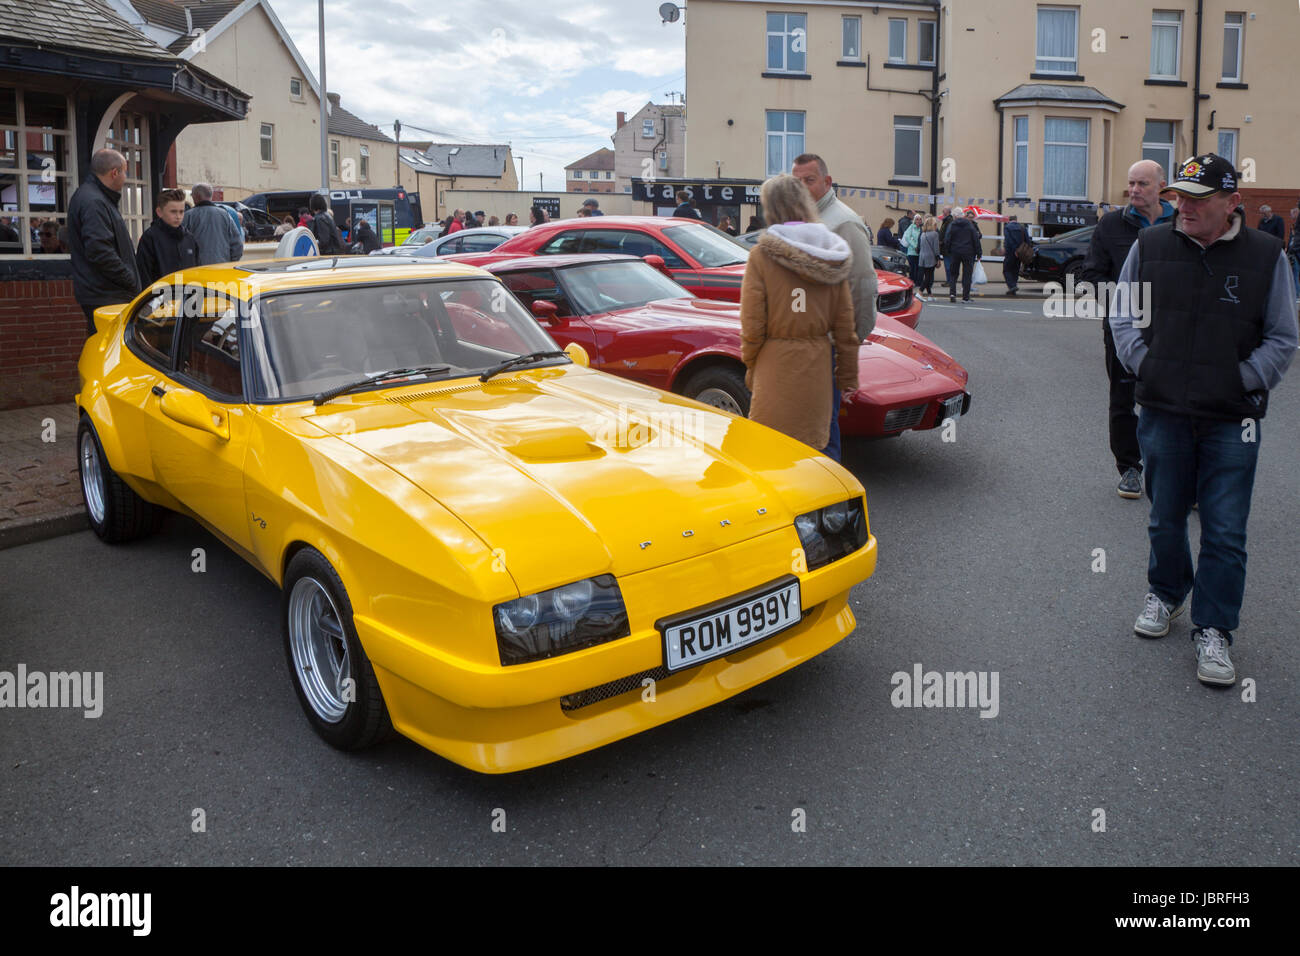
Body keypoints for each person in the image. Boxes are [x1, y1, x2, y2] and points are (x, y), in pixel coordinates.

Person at [1109, 153, 1297, 687]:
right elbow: (1123, 315)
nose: (1184, 208)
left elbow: (1283, 337)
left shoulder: (1266, 256)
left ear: (1232, 203)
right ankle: (1167, 594)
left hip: (1231, 418)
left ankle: (1213, 628)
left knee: (1225, 529)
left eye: (1198, 199)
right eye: (1179, 198)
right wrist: (1148, 367)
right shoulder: (1151, 246)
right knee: (1165, 515)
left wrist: (1241, 380)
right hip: (1164, 411)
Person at [739, 173, 858, 455]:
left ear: (771, 207)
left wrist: (751, 364)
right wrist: (847, 378)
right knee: (819, 449)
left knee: (772, 452)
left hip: (774, 366)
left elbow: (752, 324)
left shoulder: (761, 256)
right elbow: (845, 328)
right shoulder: (829, 253)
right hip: (818, 368)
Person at [1082, 159, 1175, 499]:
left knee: (1173, 401)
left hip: (1173, 331)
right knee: (1123, 401)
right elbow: (1090, 276)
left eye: (1142, 184)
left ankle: (1173, 471)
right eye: (1131, 183)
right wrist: (1129, 300)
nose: (1134, 190)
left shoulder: (1180, 221)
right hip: (1124, 329)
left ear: (1160, 186)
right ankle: (1130, 469)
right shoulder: (1110, 225)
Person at [791, 153, 878, 462]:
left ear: (827, 182)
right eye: (796, 181)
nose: (802, 187)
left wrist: (845, 345)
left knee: (822, 435)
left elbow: (863, 290)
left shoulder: (843, 223)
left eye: (809, 180)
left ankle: (834, 507)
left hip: (824, 348)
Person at [66, 148, 140, 334]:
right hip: (107, 294)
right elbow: (100, 251)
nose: (126, 176)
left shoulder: (95, 198)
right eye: (125, 171)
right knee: (110, 350)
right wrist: (129, 279)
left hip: (104, 292)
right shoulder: (94, 202)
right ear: (114, 173)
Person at [135, 187, 199, 286]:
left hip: (188, 296)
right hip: (161, 297)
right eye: (173, 212)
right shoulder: (150, 238)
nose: (178, 216)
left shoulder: (189, 238)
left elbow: (197, 270)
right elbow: (144, 275)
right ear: (159, 212)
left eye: (181, 211)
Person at [182, 182, 243, 265]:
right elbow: (237, 244)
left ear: (197, 196)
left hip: (197, 270)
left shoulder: (188, 216)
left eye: (192, 195)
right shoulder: (225, 214)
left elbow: (181, 245)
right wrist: (229, 262)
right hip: (221, 269)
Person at [944, 208, 981, 302]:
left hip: (955, 252)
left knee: (953, 274)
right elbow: (975, 239)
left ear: (955, 216)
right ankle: (965, 297)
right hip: (968, 252)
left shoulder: (952, 225)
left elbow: (947, 239)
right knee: (967, 275)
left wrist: (947, 251)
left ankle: (952, 294)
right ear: (962, 215)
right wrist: (979, 252)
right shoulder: (969, 225)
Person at [1001, 214, 1029, 295]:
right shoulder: (1022, 227)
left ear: (1009, 220)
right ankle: (1014, 287)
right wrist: (1022, 251)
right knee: (1015, 270)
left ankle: (1012, 286)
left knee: (1006, 270)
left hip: (1011, 252)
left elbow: (1008, 240)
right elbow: (1027, 241)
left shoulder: (1007, 227)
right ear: (1016, 220)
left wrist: (1015, 250)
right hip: (1021, 253)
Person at [917, 216, 941, 297]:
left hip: (922, 257)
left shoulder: (923, 234)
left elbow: (921, 246)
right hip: (930, 257)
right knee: (928, 277)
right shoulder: (935, 234)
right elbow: (936, 248)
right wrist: (938, 258)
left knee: (927, 275)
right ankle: (920, 291)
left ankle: (930, 295)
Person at [937, 206, 956, 290]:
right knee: (947, 266)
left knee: (948, 266)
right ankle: (949, 281)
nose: (942, 211)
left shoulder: (949, 221)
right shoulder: (946, 220)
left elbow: (948, 234)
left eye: (943, 210)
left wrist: (942, 241)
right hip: (945, 247)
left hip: (948, 248)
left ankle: (950, 281)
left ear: (947, 212)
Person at [902, 214, 921, 281]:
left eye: (920, 219)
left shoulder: (922, 228)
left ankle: (917, 282)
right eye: (917, 219)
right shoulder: (911, 227)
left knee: (918, 268)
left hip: (920, 252)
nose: (918, 221)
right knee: (913, 268)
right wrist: (915, 246)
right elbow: (907, 237)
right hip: (912, 251)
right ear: (914, 220)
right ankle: (912, 281)